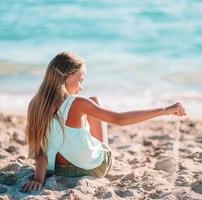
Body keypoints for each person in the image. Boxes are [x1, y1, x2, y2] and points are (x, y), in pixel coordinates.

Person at [23, 51, 186, 192]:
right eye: (80, 80)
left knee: (86, 107)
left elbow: (39, 150)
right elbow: (119, 119)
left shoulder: (35, 105)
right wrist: (164, 111)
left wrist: (38, 179)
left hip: (56, 169)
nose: (81, 87)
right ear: (66, 77)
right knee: (94, 101)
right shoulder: (78, 104)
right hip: (93, 168)